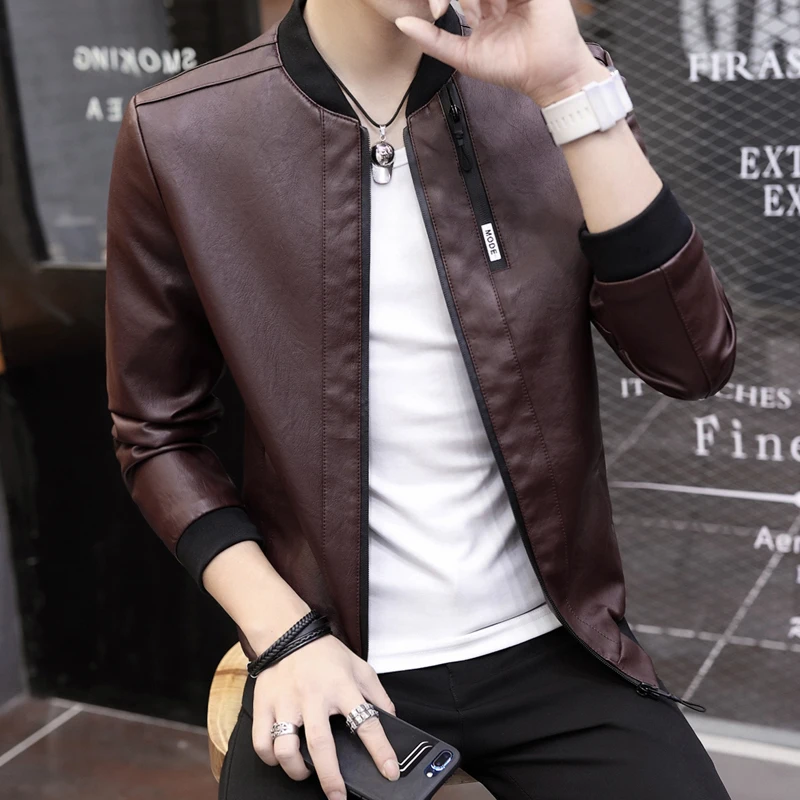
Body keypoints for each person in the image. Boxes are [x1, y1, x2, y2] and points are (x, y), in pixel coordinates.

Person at [104, 1, 737, 799]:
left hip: (559, 645)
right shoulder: (182, 132)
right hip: (331, 650)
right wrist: (285, 635)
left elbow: (693, 361)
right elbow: (157, 434)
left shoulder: (557, 90)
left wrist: (572, 90)